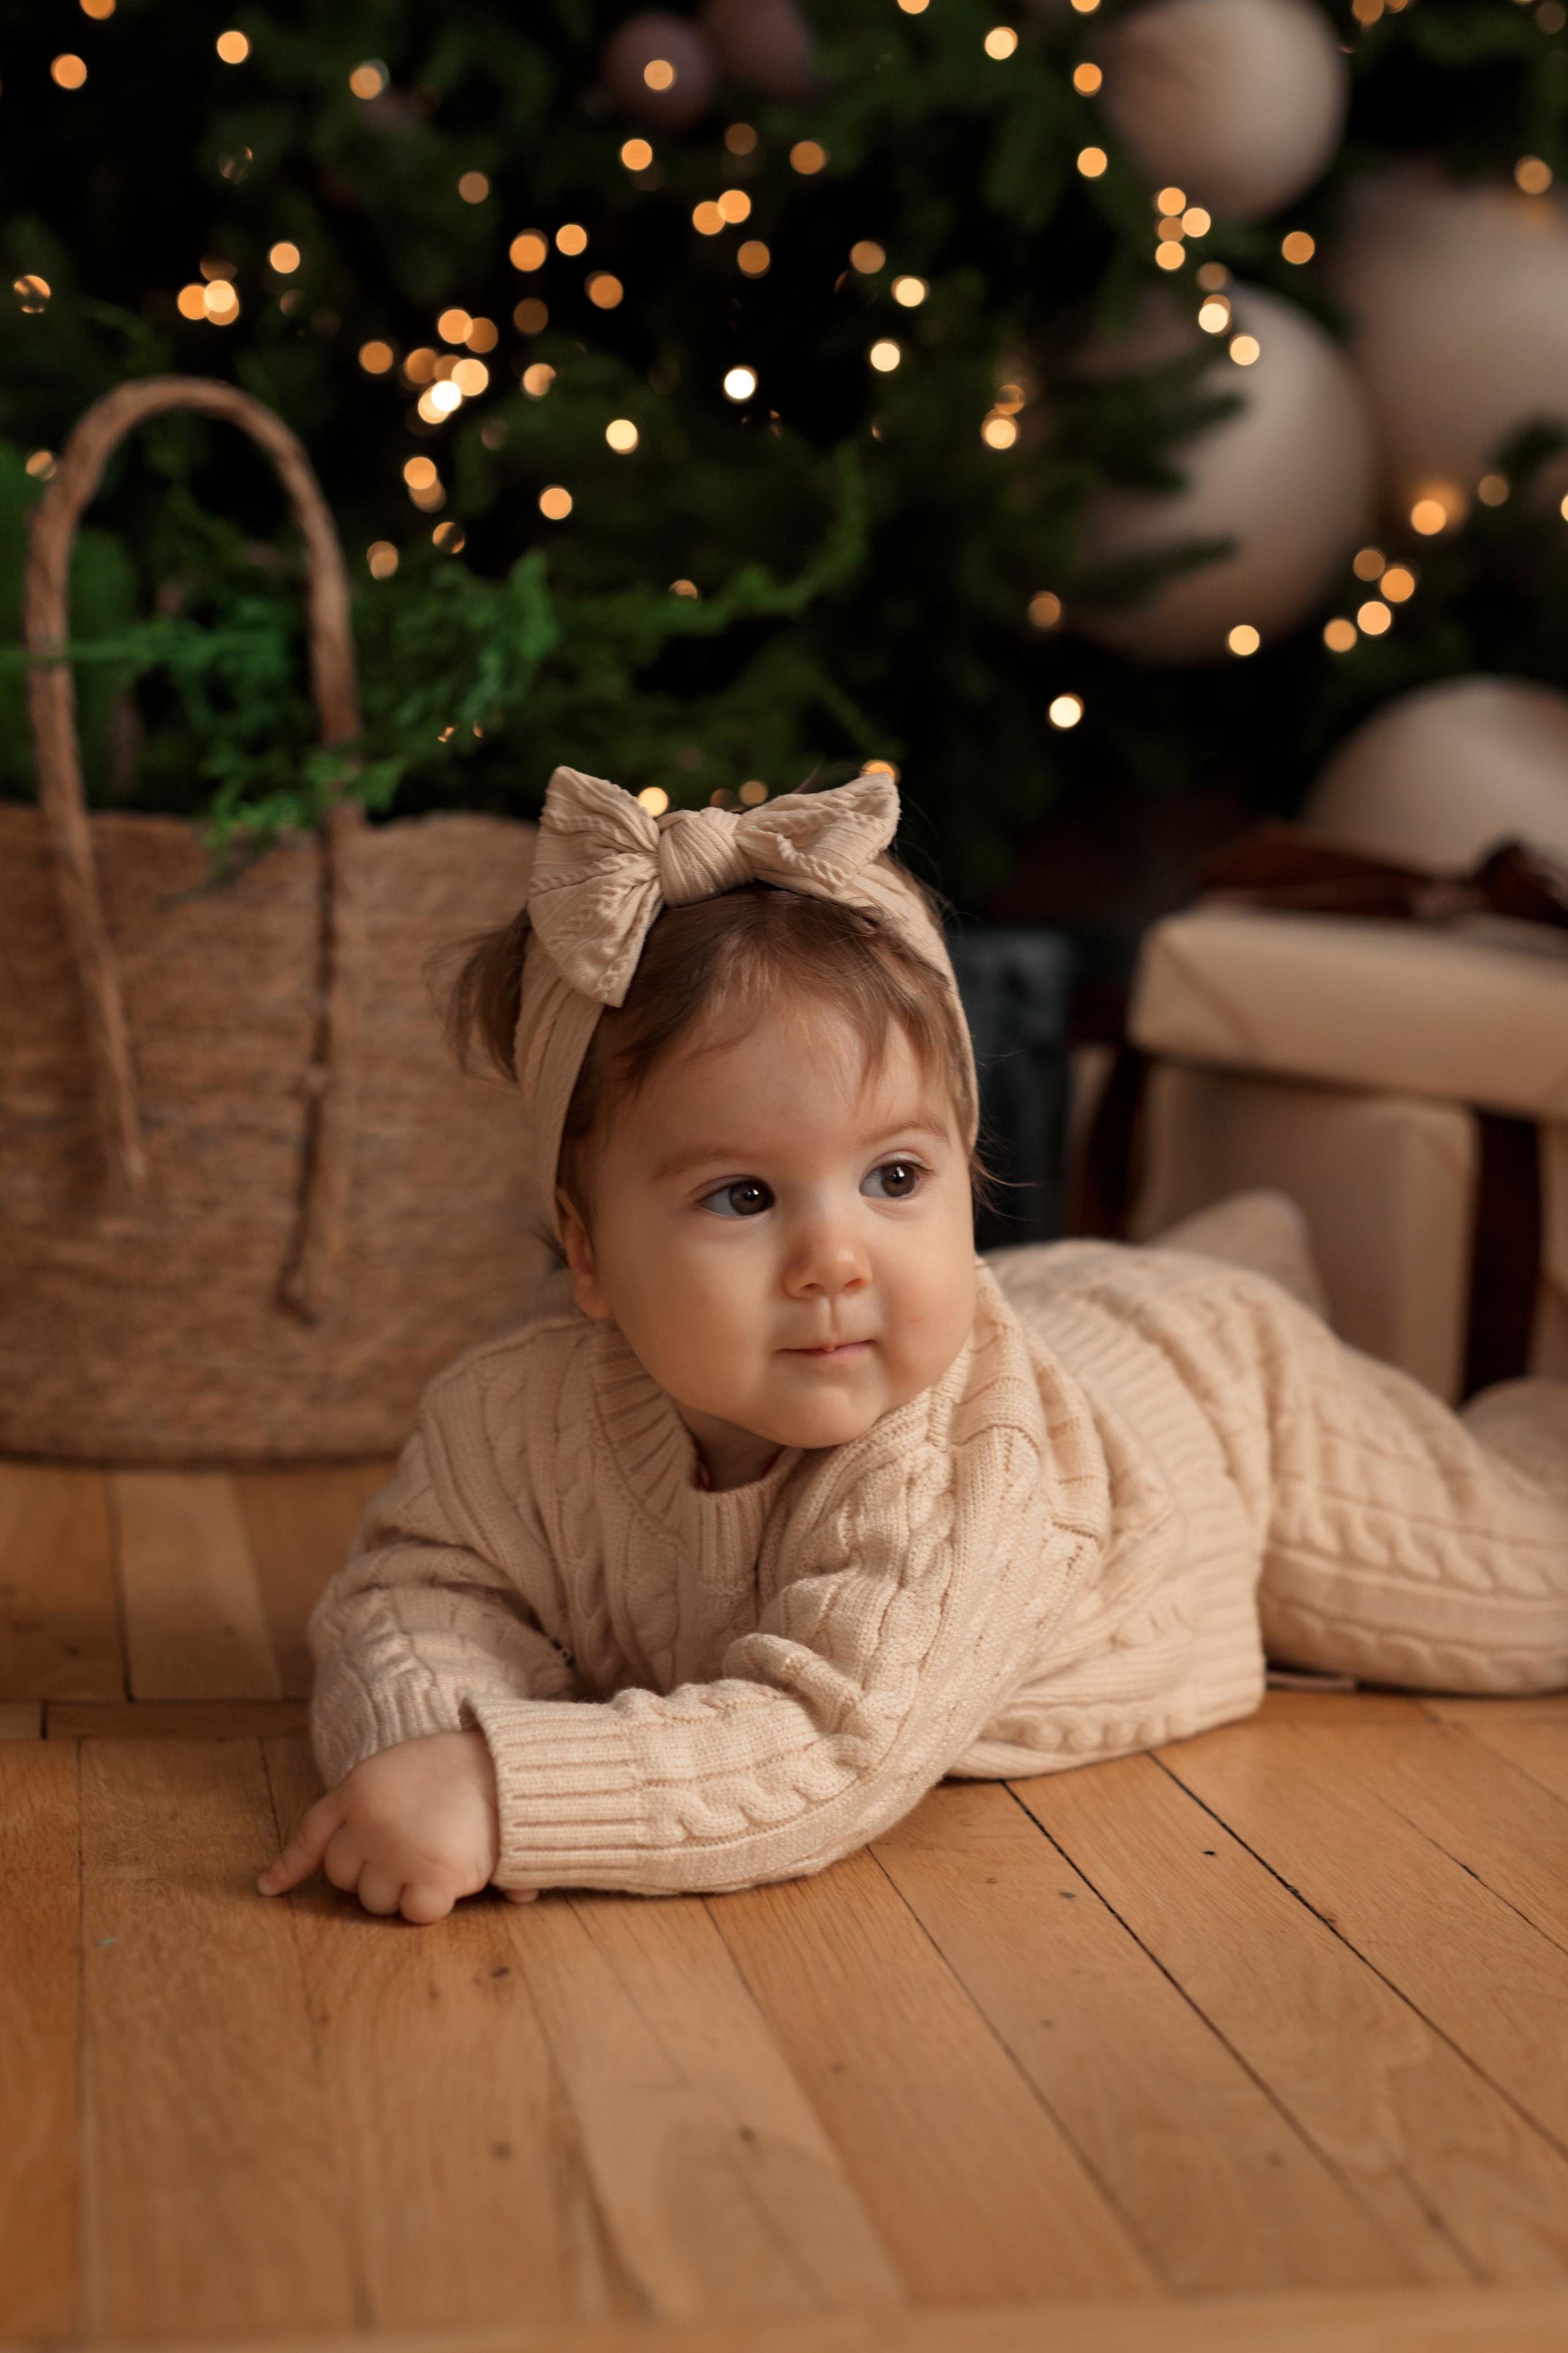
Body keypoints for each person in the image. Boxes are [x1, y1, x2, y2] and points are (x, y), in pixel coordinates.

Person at [259, 768, 1568, 1925]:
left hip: (1224, 1415)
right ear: (588, 1252)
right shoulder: (511, 1422)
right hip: (1088, 1318)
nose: (836, 1257)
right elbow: (407, 1595)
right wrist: (431, 1739)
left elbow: (829, 1740)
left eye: (894, 1176)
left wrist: (506, 1793)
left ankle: (1444, 1377)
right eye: (742, 1197)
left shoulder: (957, 1463)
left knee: (1527, 1591)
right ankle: (1232, 1246)